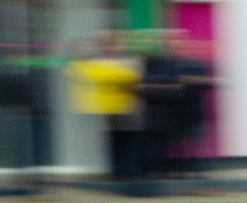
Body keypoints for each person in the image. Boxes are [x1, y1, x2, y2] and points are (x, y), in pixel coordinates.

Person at [70, 32, 146, 192]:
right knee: (113, 144)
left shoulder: (128, 61)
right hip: (109, 115)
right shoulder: (101, 62)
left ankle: (128, 176)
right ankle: (117, 174)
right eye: (107, 45)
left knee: (127, 144)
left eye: (113, 45)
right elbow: (85, 71)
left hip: (128, 113)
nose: (111, 48)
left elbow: (132, 80)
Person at [138, 28, 216, 183]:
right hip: (170, 114)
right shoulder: (160, 64)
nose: (175, 49)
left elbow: (204, 83)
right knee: (171, 146)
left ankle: (194, 174)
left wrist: (188, 80)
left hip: (192, 112)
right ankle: (171, 172)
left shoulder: (193, 64)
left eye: (178, 45)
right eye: (172, 46)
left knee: (193, 144)